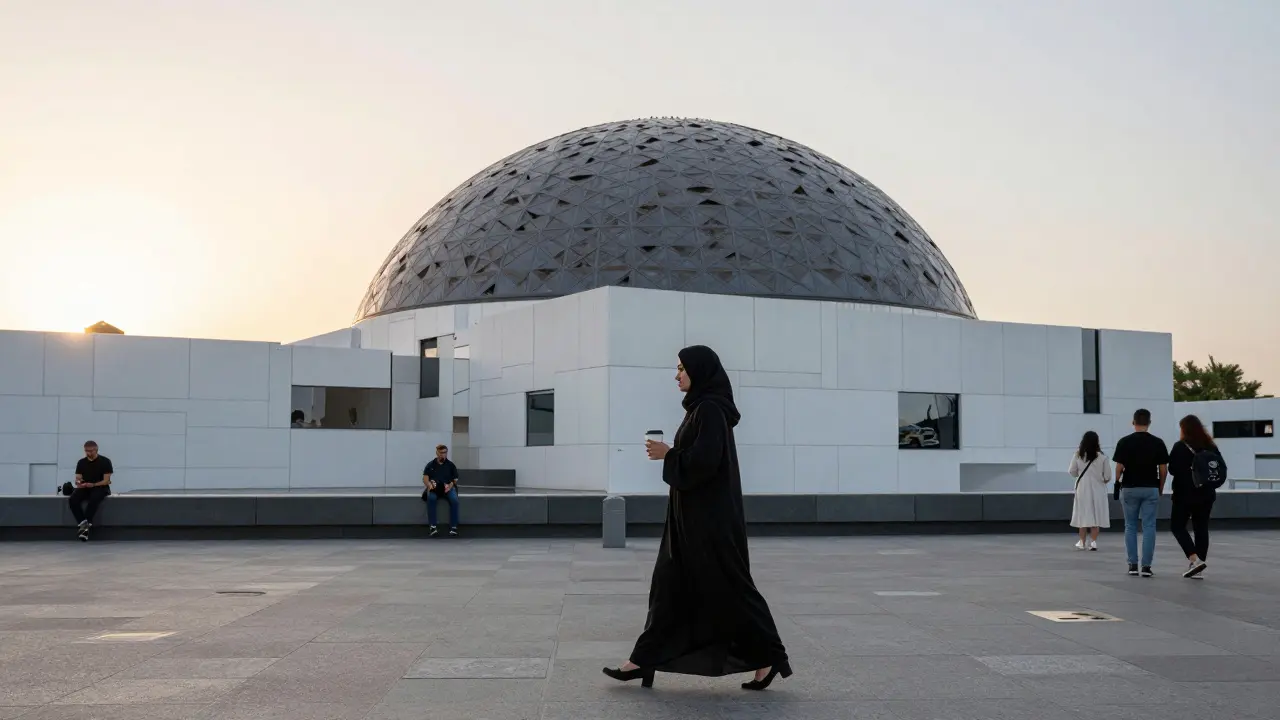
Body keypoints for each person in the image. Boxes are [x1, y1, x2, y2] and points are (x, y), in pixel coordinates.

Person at [603, 345, 791, 691]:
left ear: (700, 371)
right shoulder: (700, 410)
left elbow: (705, 462)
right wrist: (671, 455)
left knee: (730, 587)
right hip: (690, 518)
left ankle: (770, 658)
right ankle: (642, 661)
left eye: (681, 369)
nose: (676, 375)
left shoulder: (709, 410)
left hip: (709, 522)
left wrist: (669, 453)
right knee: (669, 586)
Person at [1113, 408, 1169, 577]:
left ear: (1133, 422)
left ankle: (1132, 565)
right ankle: (1146, 567)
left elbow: (1119, 467)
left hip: (1129, 488)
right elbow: (1163, 469)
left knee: (1130, 526)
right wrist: (1160, 487)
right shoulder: (1158, 443)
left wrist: (1118, 483)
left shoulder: (1124, 442)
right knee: (1149, 526)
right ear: (1149, 423)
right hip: (1151, 487)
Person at [1169, 414, 1217, 579]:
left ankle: (1194, 559)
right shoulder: (1210, 446)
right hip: (1207, 493)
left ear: (1184, 430)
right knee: (1201, 528)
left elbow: (1172, 470)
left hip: (1184, 494)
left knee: (1177, 526)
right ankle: (1199, 565)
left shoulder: (1180, 447)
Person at [1069, 430, 1111, 550]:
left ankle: (1082, 542)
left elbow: (1072, 471)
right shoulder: (1103, 457)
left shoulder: (1078, 455)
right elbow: (1107, 476)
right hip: (1098, 489)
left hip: (1082, 488)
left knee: (1082, 515)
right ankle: (1093, 542)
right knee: (1095, 515)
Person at [70, 440, 112, 541]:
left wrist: (93, 484)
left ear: (96, 450)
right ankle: (84, 524)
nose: (88, 453)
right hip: (85, 487)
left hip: (100, 487)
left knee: (94, 499)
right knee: (73, 499)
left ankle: (85, 526)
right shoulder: (81, 462)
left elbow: (106, 481)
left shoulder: (105, 461)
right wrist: (79, 482)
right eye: (86, 451)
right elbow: (78, 477)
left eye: (90, 451)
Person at [423, 444, 460, 537]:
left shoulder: (450, 465)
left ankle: (454, 527)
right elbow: (425, 478)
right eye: (441, 453)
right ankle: (433, 526)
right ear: (437, 453)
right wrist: (429, 485)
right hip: (435, 488)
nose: (443, 455)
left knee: (454, 500)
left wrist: (450, 486)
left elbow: (455, 479)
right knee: (431, 499)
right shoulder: (430, 465)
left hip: (447, 488)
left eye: (445, 452)